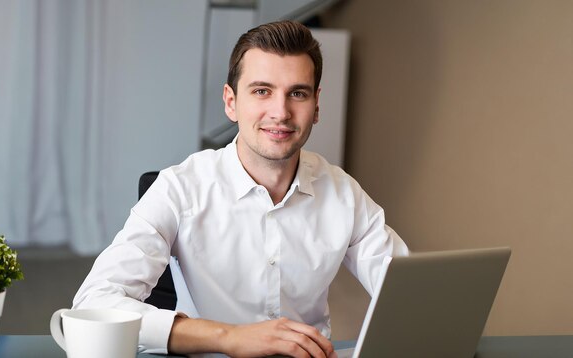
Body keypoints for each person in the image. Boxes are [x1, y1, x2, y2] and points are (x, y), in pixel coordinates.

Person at [73, 20, 408, 357]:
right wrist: (230, 337)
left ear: (316, 105)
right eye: (262, 91)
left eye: (297, 93)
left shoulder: (342, 193)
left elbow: (413, 293)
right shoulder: (180, 188)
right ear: (230, 102)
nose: (281, 112)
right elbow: (94, 304)